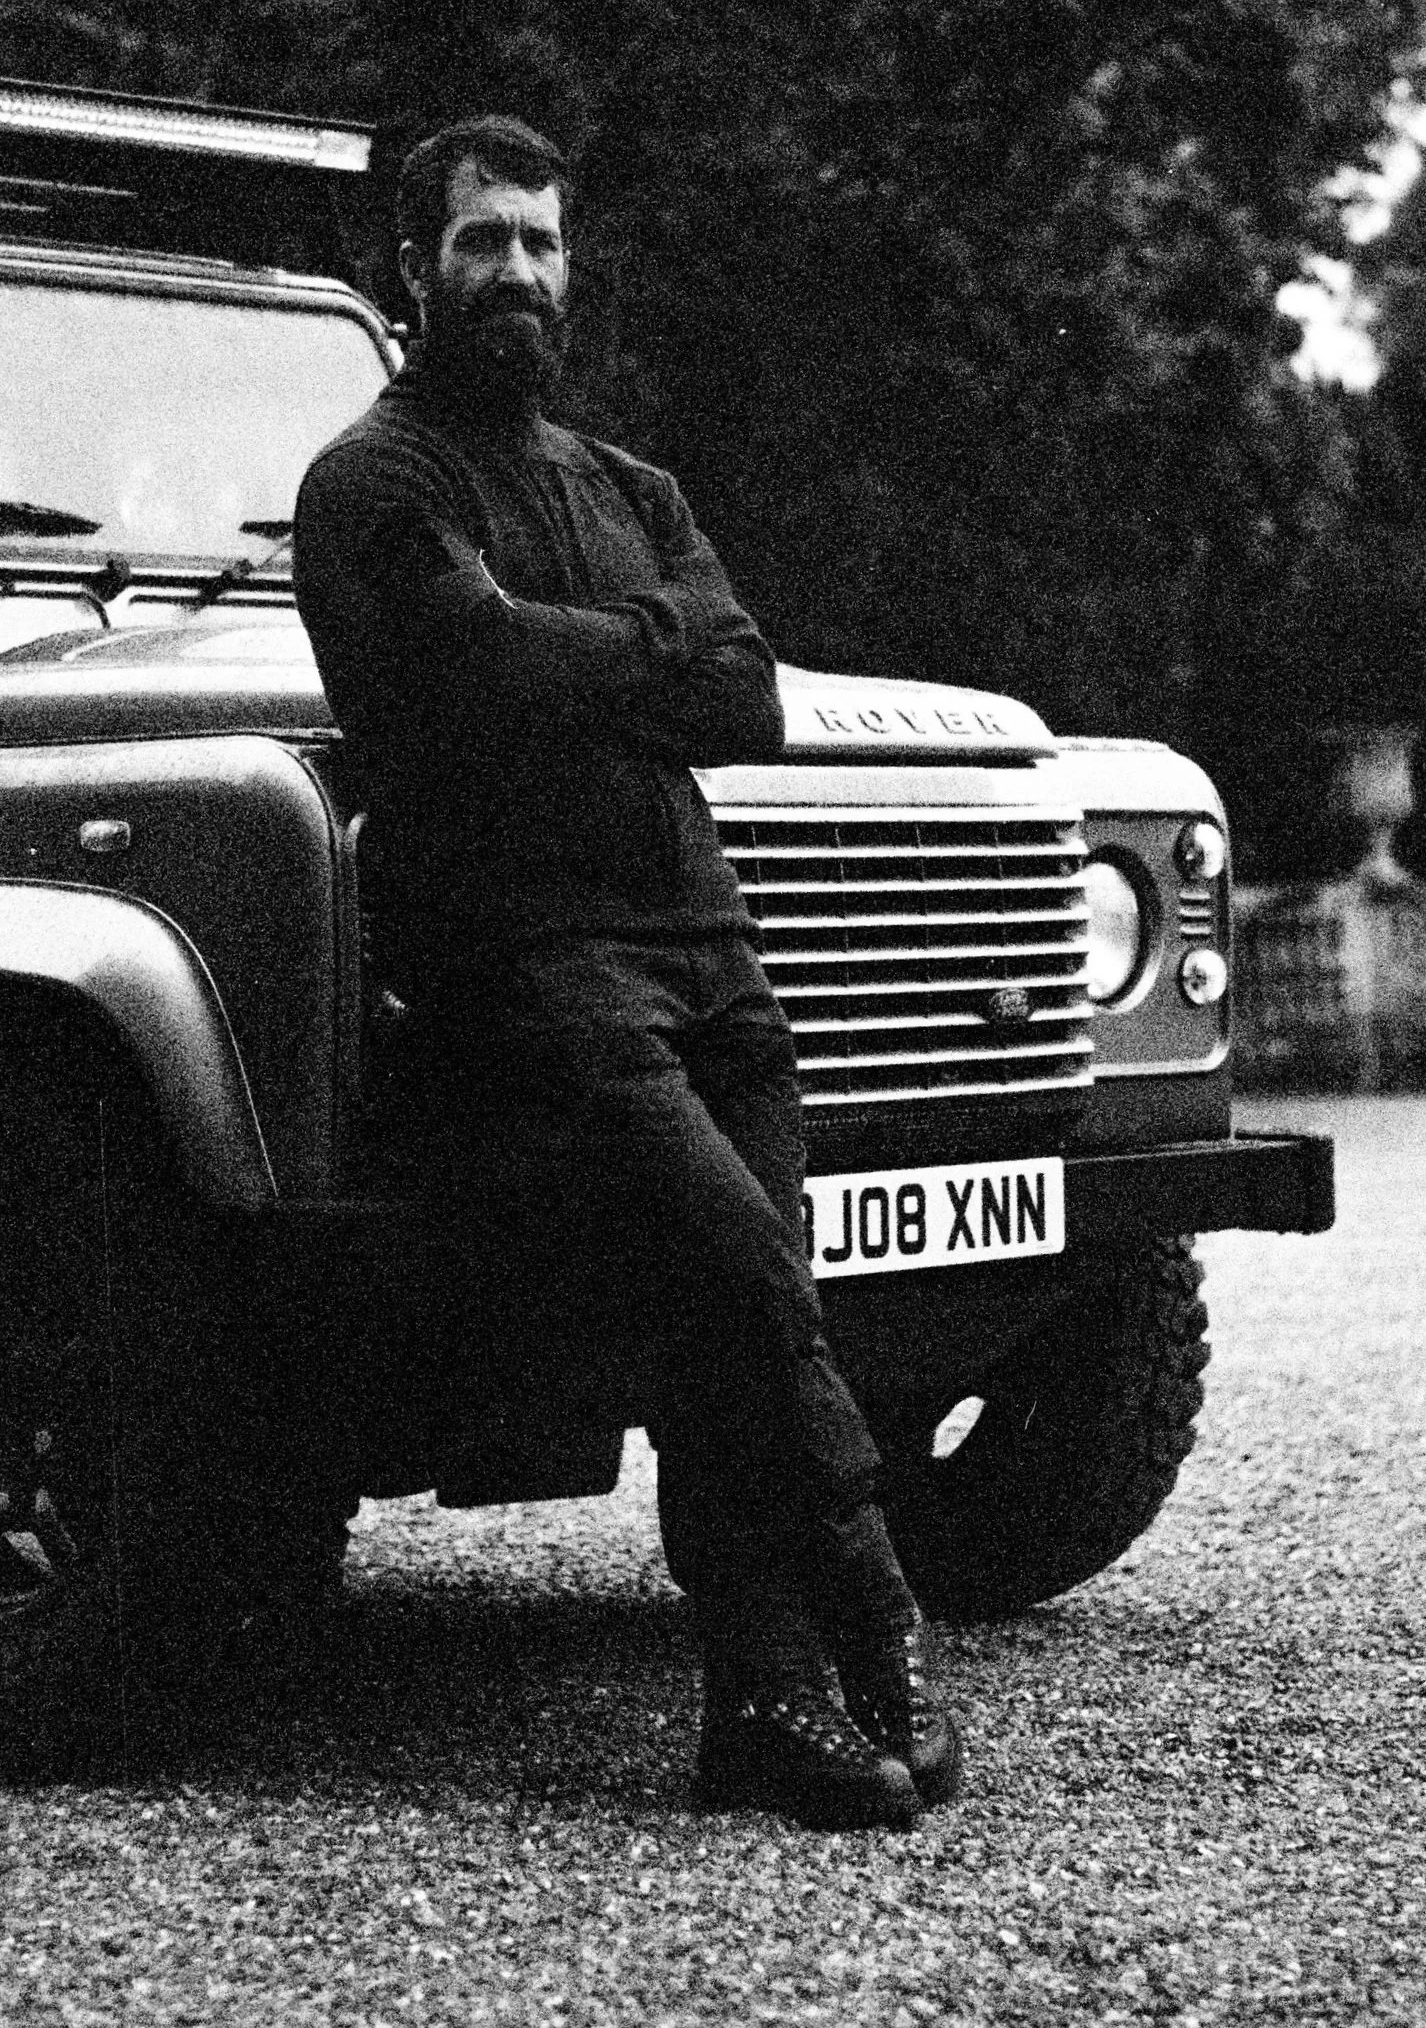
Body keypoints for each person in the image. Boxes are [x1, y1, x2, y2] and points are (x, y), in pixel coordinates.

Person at [291, 116, 961, 1833]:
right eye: (478, 243)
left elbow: (746, 699)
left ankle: (756, 1705)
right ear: (409, 271)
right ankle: (874, 1596)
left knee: (727, 1300)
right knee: (743, 1270)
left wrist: (602, 655)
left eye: (539, 242)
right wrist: (648, 653)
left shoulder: (630, 485)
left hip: (709, 960)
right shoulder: (374, 481)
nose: (514, 271)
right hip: (528, 965)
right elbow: (472, 668)